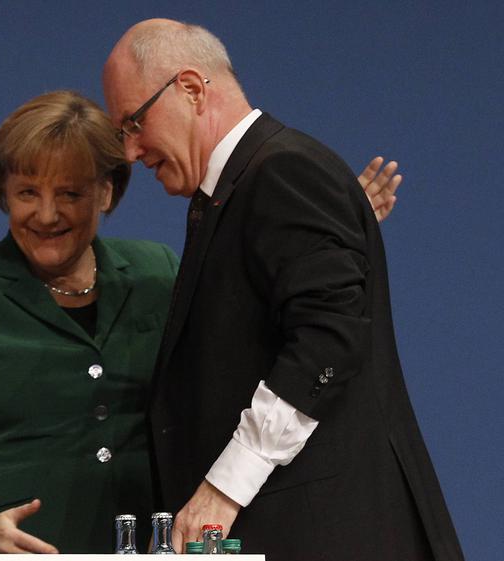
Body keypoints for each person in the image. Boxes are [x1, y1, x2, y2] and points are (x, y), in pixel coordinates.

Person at [0, 91, 400, 557]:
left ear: (107, 192)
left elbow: (248, 339)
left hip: (148, 547)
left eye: (71, 194)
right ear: (2, 193)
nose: (47, 214)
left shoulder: (155, 271)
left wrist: (323, 234)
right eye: (27, 192)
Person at [103, 19, 464, 561]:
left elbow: (328, 340)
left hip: (331, 535)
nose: (130, 152)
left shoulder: (282, 173)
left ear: (193, 89)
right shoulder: (239, 190)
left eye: (134, 123)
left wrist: (224, 487)